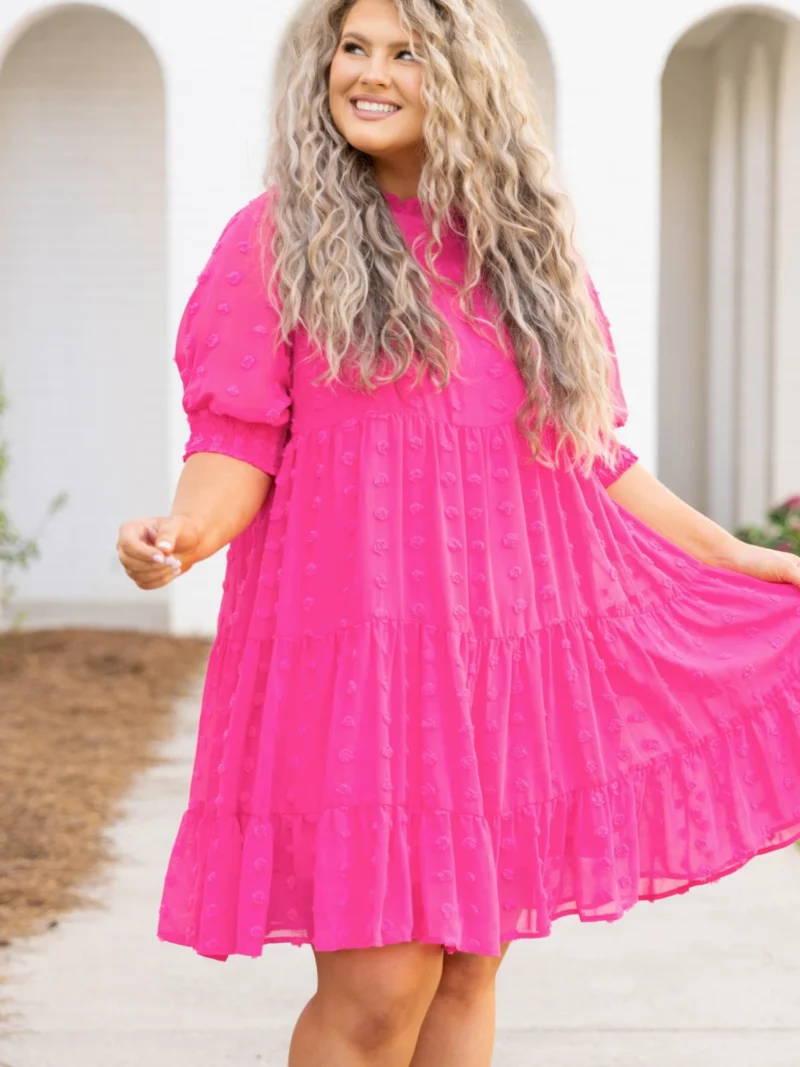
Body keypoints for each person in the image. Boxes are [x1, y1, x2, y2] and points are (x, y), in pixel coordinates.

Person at [117, 0, 800, 1064]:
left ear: (462, 78)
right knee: (378, 987)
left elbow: (587, 451)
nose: (368, 72)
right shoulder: (275, 238)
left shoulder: (522, 251)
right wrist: (184, 531)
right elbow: (236, 441)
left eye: (404, 53)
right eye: (353, 49)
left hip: (500, 658)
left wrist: (729, 552)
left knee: (465, 969)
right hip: (358, 662)